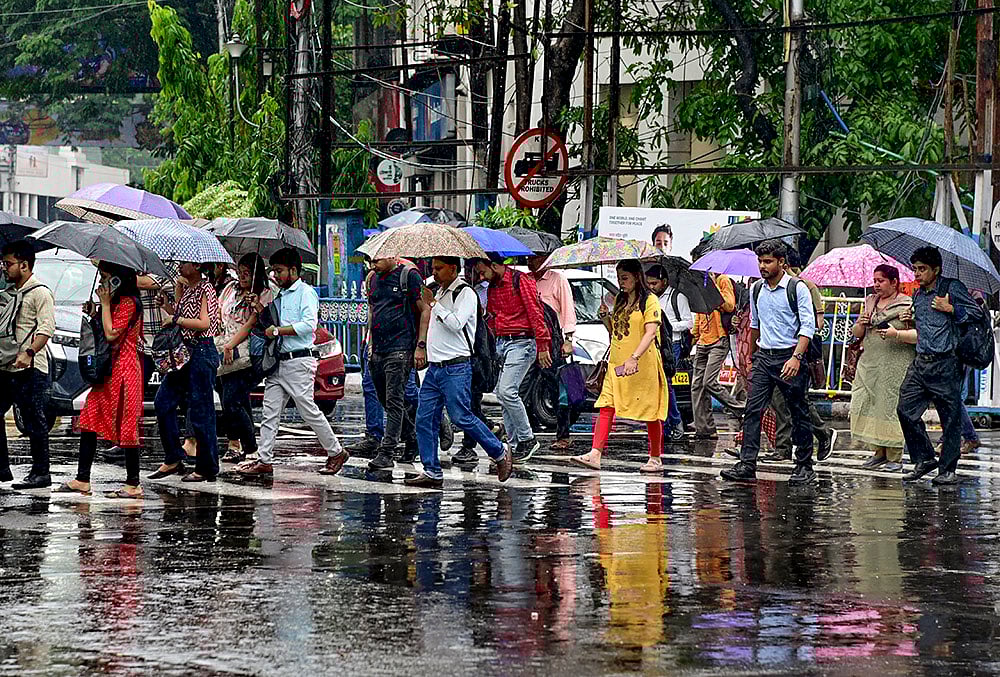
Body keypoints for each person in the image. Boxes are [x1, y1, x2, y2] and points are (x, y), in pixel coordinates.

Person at [236, 248, 349, 476]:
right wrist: (259, 308)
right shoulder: (280, 295)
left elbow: (309, 325)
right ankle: (264, 459)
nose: (275, 276)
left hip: (299, 360)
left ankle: (336, 451)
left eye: (279, 271)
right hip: (278, 362)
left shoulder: (305, 293)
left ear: (294, 270)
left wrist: (278, 331)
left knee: (308, 410)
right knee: (270, 412)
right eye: (274, 271)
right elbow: (269, 322)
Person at [404, 257, 514, 488]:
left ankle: (499, 451)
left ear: (453, 269)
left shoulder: (465, 294)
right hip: (435, 368)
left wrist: (435, 305)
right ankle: (431, 470)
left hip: (456, 366)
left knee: (460, 416)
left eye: (439, 268)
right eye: (433, 268)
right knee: (424, 418)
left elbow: (456, 323)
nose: (434, 273)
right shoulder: (439, 292)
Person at [721, 239, 817, 484]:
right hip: (765, 356)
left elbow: (808, 326)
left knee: (798, 411)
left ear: (782, 263)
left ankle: (804, 465)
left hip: (790, 355)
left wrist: (796, 357)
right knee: (753, 410)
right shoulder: (756, 290)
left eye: (768, 261)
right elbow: (755, 325)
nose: (762, 266)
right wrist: (751, 357)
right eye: (760, 261)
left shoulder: (797, 288)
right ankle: (747, 464)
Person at [894, 246, 981, 485]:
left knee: (950, 418)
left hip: (946, 363)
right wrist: (911, 318)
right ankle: (924, 458)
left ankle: (947, 469)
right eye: (915, 269)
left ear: (936, 269)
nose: (917, 274)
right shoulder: (918, 295)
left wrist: (952, 309)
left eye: (922, 269)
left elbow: (977, 316)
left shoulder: (952, 289)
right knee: (905, 409)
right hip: (921, 362)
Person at [570, 259, 667, 473]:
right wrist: (606, 317)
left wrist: (634, 358)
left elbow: (650, 333)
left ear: (636, 277)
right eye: (618, 278)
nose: (620, 282)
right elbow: (616, 332)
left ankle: (655, 457)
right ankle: (595, 453)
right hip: (617, 363)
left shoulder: (650, 301)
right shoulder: (621, 300)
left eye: (624, 278)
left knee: (650, 410)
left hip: (643, 364)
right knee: (606, 405)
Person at [57, 262, 144, 498]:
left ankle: (133, 484)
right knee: (89, 419)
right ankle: (82, 478)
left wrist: (104, 305)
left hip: (124, 370)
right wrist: (97, 311)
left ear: (118, 280)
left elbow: (112, 333)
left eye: (106, 277)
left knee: (126, 424)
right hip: (108, 370)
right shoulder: (115, 303)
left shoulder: (129, 303)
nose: (102, 282)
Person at [475, 254, 552, 464]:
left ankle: (527, 438)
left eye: (483, 271)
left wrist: (543, 345)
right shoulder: (492, 286)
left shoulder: (521, 280)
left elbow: (535, 312)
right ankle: (515, 443)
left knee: (507, 391)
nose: (481, 276)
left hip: (523, 342)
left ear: (494, 265)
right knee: (502, 393)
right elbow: (492, 316)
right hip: (503, 343)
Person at [150, 261, 222, 483]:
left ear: (198, 266)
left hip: (201, 350)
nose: (180, 266)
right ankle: (173, 456)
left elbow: (203, 323)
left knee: (201, 411)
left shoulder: (206, 288)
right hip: (184, 351)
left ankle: (207, 466)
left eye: (185, 263)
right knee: (163, 401)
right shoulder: (188, 288)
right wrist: (168, 306)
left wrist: (175, 318)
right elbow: (181, 318)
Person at [765, 256, 836, 462]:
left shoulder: (804, 287)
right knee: (777, 400)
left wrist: (798, 342)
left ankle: (822, 434)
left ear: (784, 265)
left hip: (797, 352)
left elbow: (817, 323)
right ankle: (783, 447)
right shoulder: (764, 288)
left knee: (798, 401)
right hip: (773, 352)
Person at [365, 256, 430, 471]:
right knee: (385, 399)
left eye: (377, 260)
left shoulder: (407, 276)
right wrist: (370, 342)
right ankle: (411, 436)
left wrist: (420, 345)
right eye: (370, 260)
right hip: (378, 349)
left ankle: (387, 451)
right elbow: (372, 311)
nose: (373, 264)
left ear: (392, 255)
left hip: (401, 348)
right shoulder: (372, 278)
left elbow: (424, 310)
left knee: (395, 400)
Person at [0, 241, 56, 489]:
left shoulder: (40, 293)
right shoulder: (9, 294)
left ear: (24, 265)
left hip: (31, 367)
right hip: (6, 366)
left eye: (9, 264)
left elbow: (46, 328)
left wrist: (29, 352)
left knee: (34, 420)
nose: (5, 268)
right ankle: (2, 468)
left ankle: (41, 473)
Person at [849, 264, 914, 472]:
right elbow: (857, 333)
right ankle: (878, 452)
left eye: (881, 281)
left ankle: (895, 456)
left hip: (894, 362)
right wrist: (862, 322)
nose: (876, 285)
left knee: (889, 405)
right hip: (870, 362)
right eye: (875, 281)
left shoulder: (907, 305)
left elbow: (915, 332)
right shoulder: (869, 302)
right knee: (869, 403)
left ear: (894, 282)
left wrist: (902, 327)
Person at [217, 253, 273, 464]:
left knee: (233, 399)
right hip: (225, 350)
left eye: (247, 273)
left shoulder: (265, 294)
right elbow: (219, 312)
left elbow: (253, 323)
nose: (242, 277)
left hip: (249, 353)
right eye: (240, 272)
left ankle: (250, 448)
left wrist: (256, 303)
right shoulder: (231, 289)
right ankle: (243, 446)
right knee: (234, 399)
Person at [526, 253, 578, 451]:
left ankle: (563, 435)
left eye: (536, 258)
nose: (531, 262)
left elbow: (567, 312)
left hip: (554, 343)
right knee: (521, 389)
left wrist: (568, 340)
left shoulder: (558, 279)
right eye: (529, 258)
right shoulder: (526, 281)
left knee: (558, 391)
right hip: (530, 343)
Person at [690, 263, 744, 441]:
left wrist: (713, 289)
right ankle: (705, 428)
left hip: (719, 339)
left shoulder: (722, 280)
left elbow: (729, 305)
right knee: (696, 386)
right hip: (703, 340)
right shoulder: (701, 285)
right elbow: (700, 312)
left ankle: (738, 408)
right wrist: (695, 335)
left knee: (708, 381)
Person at [646, 264, 692, 444]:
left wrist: (668, 326)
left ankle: (675, 421)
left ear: (664, 281)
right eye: (648, 283)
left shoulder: (677, 297)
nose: (651, 286)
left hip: (671, 345)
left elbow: (689, 322)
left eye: (655, 283)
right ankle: (662, 426)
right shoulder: (649, 298)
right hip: (652, 345)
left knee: (666, 384)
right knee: (656, 386)